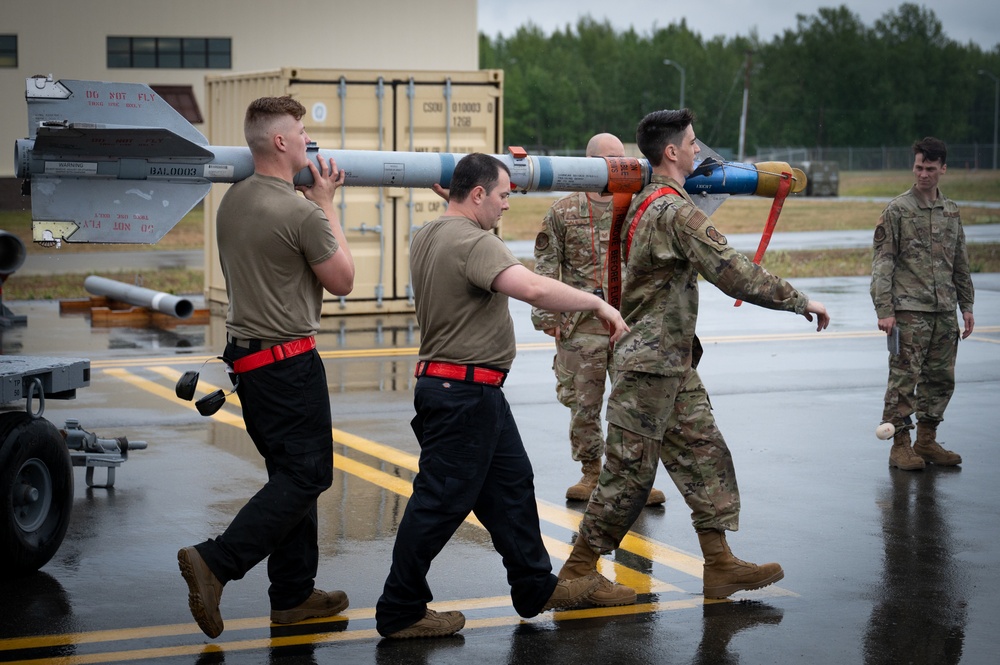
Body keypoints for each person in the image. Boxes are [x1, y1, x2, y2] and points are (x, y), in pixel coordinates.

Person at [557, 109, 831, 606]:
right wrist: (798, 300)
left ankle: (720, 563)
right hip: (648, 365)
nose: (697, 148)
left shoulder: (652, 201)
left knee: (704, 453)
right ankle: (577, 572)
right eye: (691, 141)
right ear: (671, 153)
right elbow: (731, 270)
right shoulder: (671, 211)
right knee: (628, 476)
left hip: (671, 362)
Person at [375, 153, 629, 639]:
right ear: (476, 195)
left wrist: (464, 212)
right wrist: (598, 302)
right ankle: (400, 608)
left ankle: (534, 586)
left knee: (512, 485)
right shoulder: (474, 243)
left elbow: (473, 243)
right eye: (503, 195)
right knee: (439, 503)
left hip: (464, 391)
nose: (508, 205)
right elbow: (531, 287)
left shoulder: (429, 234)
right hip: (464, 393)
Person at [177, 96, 355, 639]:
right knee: (309, 475)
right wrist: (326, 203)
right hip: (289, 365)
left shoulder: (232, 202)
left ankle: (294, 596)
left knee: (290, 477)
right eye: (301, 132)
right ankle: (218, 561)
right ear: (280, 142)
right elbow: (344, 280)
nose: (309, 141)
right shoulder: (301, 212)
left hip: (249, 367)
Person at [531, 132, 666, 506]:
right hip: (580, 328)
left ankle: (631, 478)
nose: (619, 166)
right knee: (584, 405)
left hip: (629, 324)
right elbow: (545, 267)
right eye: (609, 159)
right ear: (589, 163)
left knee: (634, 405)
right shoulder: (562, 211)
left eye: (623, 158)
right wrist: (549, 319)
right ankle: (592, 472)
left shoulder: (637, 206)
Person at [870, 137, 975, 471]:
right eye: (919, 167)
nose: (924, 174)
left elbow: (960, 261)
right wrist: (884, 309)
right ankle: (900, 445)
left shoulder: (951, 211)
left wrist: (966, 304)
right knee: (903, 380)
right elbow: (882, 264)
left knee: (941, 379)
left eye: (930, 168)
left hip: (944, 311)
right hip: (908, 312)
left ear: (943, 168)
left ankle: (926, 441)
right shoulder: (898, 210)